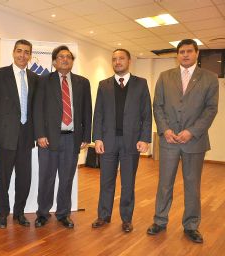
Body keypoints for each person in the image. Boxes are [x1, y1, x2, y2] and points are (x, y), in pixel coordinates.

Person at [147, 39, 219, 243]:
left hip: (194, 141)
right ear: (177, 55)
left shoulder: (210, 78)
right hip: (169, 140)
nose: (185, 55)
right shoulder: (164, 77)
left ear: (197, 53)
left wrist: (192, 131)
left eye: (189, 51)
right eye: (181, 52)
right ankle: (160, 221)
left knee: (192, 185)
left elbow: (211, 109)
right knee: (164, 184)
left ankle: (191, 225)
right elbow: (157, 106)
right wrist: (165, 129)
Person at [91, 49, 152, 233]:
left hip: (131, 142)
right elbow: (98, 113)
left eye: (121, 58)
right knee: (106, 181)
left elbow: (146, 114)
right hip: (108, 141)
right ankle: (103, 215)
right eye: (114, 59)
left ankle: (126, 218)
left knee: (128, 183)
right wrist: (98, 138)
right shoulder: (104, 85)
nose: (117, 62)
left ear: (129, 61)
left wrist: (144, 138)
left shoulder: (141, 84)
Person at [34, 45, 92, 228]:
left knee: (67, 178)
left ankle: (63, 213)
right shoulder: (43, 81)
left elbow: (87, 111)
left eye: (68, 57)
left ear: (72, 61)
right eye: (61, 57)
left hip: (72, 138)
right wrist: (40, 135)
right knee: (46, 177)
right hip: (49, 139)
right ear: (54, 62)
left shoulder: (83, 82)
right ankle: (43, 213)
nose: (65, 59)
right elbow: (38, 110)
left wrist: (86, 136)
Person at [0, 39, 38, 229]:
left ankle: (19, 213)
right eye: (19, 51)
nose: (22, 55)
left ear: (30, 55)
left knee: (24, 179)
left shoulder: (34, 78)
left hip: (26, 137)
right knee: (3, 179)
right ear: (13, 52)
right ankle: (2, 214)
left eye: (26, 52)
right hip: (5, 136)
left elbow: (37, 108)